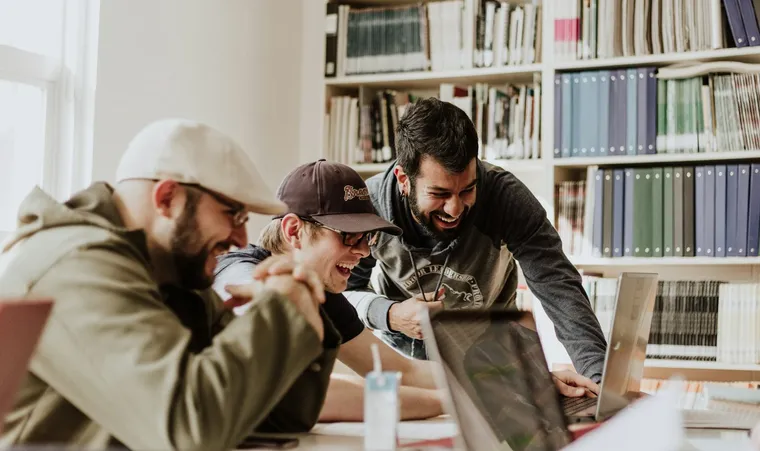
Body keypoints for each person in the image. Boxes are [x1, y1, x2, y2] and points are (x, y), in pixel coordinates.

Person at [0, 119, 338, 450]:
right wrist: (281, 310)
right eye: (232, 214)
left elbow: (278, 416)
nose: (241, 238)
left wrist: (301, 303)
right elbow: (189, 430)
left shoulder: (172, 272)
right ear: (167, 199)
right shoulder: (78, 265)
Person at [214, 160, 599, 422]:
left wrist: (519, 382)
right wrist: (478, 400)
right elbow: (303, 392)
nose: (364, 252)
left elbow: (399, 370)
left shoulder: (322, 292)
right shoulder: (242, 276)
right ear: (294, 231)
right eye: (349, 237)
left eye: (367, 239)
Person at [345, 97, 608, 383]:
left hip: (494, 367)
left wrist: (599, 381)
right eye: (440, 194)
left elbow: (559, 288)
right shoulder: (370, 208)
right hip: (404, 371)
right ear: (403, 179)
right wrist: (391, 314)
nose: (455, 209)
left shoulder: (506, 198)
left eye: (467, 190)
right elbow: (343, 294)